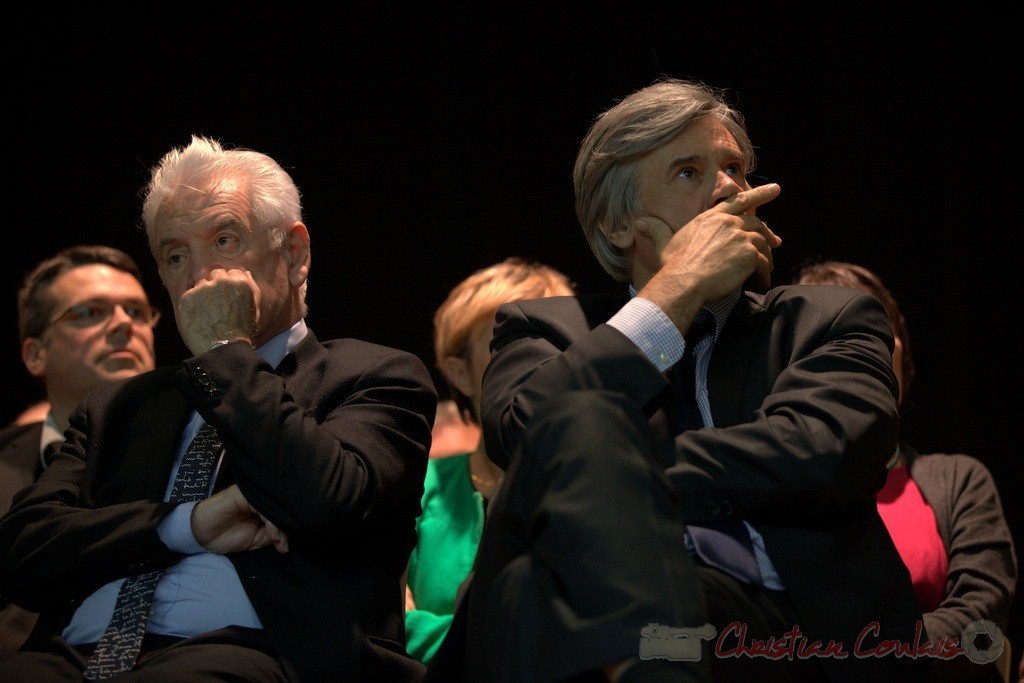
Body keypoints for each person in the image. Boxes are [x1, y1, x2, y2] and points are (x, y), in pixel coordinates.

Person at [428, 77, 930, 682]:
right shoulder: (542, 328)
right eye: (689, 172)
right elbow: (521, 439)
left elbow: (819, 453)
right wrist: (673, 295)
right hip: (611, 609)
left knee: (547, 575)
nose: (727, 188)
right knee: (571, 450)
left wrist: (609, 473)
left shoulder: (825, 317)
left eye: (735, 168)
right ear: (619, 226)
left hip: (786, 631)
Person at [0, 136, 436, 681]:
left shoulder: (376, 377)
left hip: (257, 653)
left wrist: (228, 353)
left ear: (294, 253)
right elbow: (20, 551)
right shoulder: (118, 405)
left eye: (224, 240)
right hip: (71, 656)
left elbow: (323, 501)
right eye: (175, 255)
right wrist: (186, 526)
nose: (199, 275)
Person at [795, 259, 1017, 682]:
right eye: (833, 337)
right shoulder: (776, 485)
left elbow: (981, 616)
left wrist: (873, 657)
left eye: (874, 331)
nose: (859, 356)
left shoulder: (958, 480)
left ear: (900, 355)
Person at [406, 257, 574, 665]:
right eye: (515, 344)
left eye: (563, 341)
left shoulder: (602, 483)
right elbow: (384, 627)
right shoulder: (413, 486)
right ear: (460, 374)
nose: (548, 363)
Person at [0, 245, 159, 657]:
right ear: (36, 354)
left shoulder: (198, 448)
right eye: (90, 312)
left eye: (137, 312)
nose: (124, 325)